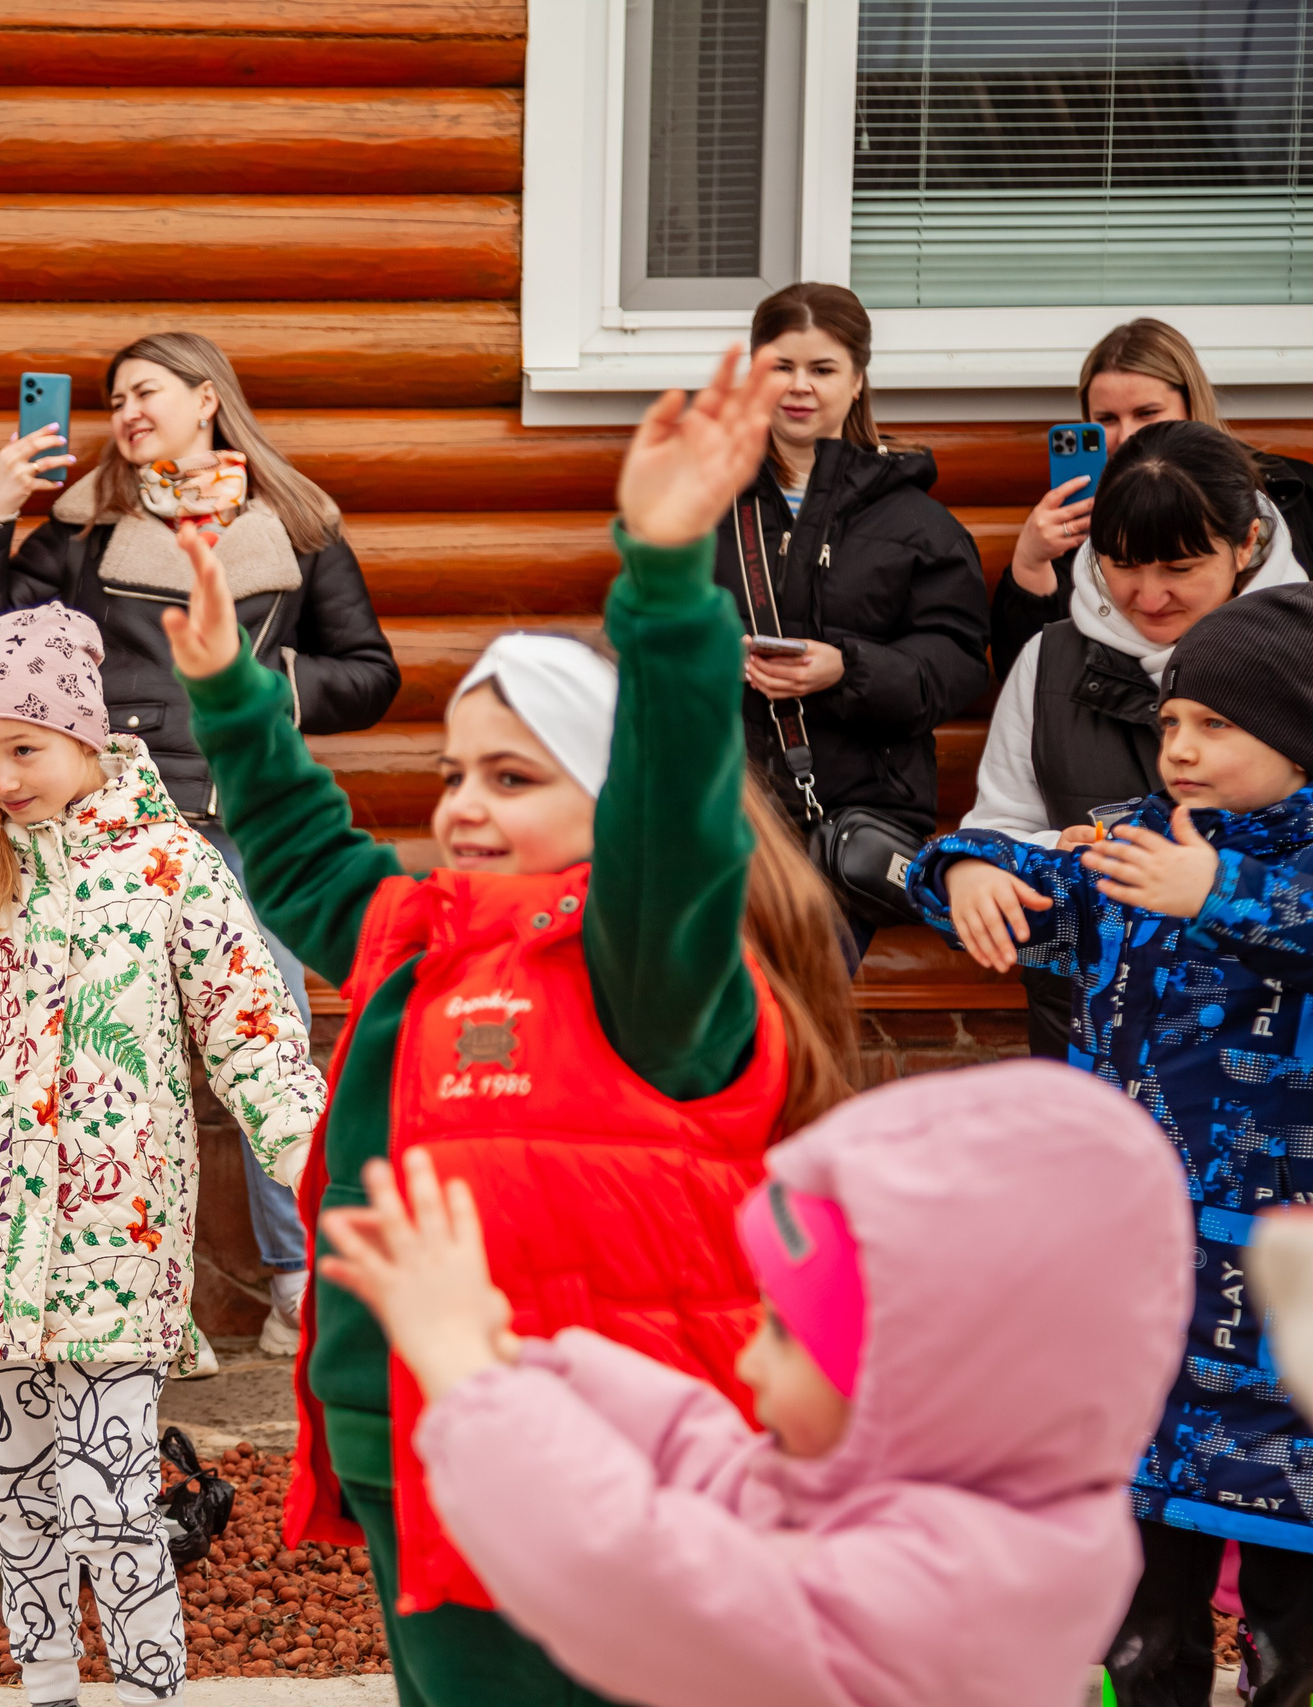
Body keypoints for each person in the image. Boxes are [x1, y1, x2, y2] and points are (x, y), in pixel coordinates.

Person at [164, 346, 862, 1706]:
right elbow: (304, 854)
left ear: (611, 801)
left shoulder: (649, 963)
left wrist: (664, 582)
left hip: (596, 1453)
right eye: (451, 774)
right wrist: (235, 701)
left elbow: (679, 807)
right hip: (403, 1429)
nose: (465, 804)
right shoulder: (420, 930)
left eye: (513, 775)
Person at [316, 1060, 1190, 1707]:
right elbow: (721, 1471)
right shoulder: (961, 1498)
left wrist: (473, 1385)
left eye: (784, 1329)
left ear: (913, 1370)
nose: (747, 1360)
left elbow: (640, 1575)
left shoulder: (946, 1586)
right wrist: (526, 1363)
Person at [0, 601, 329, 1705]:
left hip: (116, 1247)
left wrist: (320, 1169)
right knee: (21, 1496)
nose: (5, 777)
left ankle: (150, 1688)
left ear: (86, 740)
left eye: (29, 749)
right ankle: (47, 1682)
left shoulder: (168, 868)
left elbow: (251, 1030)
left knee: (112, 1498)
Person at [0, 331, 400, 1359]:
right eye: (114, 399)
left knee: (268, 1043)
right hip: (119, 821)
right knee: (112, 1060)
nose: (126, 411)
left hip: (245, 822)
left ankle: (297, 1280)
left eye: (145, 391)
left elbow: (370, 672)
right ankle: (110, 1303)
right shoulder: (82, 530)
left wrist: (261, 687)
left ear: (206, 399)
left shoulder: (299, 526)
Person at [911, 586, 1313, 1706]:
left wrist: (1221, 891)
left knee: (1290, 1564)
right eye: (1171, 721)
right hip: (1134, 1270)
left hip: (1283, 1288)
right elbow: (1010, 867)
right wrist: (958, 871)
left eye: (1215, 727)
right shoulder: (1134, 842)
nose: (1177, 748)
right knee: (1143, 1558)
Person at [959, 421, 1303, 1057]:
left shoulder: (1300, 651)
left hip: (1267, 1057)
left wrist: (1218, 885)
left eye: (1180, 566)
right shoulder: (1049, 660)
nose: (1149, 595)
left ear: (1246, 542)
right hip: (1097, 1043)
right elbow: (1000, 823)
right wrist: (981, 862)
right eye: (1121, 565)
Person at [714, 283, 989, 955]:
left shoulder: (920, 524)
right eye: (781, 366)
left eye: (823, 368)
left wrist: (847, 667)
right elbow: (645, 645)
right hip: (717, 817)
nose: (799, 386)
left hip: (842, 823)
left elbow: (954, 669)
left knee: (795, 1020)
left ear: (858, 379)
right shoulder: (702, 505)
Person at [992, 317, 1313, 680]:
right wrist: (1031, 564)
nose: (1126, 434)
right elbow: (1030, 678)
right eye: (1106, 419)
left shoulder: (1290, 488)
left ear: (1192, 403)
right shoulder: (1072, 517)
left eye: (1146, 413)